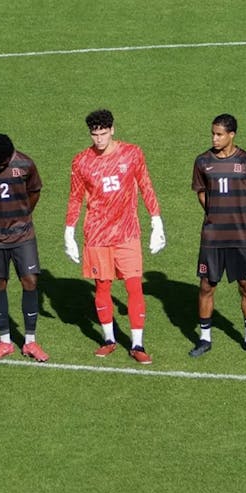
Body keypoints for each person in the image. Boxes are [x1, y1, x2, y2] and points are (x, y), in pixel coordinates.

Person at [65, 109, 164, 364]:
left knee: (134, 286)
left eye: (103, 133)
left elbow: (145, 184)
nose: (98, 139)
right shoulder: (81, 161)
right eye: (94, 134)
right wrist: (69, 231)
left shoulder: (132, 153)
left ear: (112, 130)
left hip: (127, 231)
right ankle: (109, 339)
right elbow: (75, 197)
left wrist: (156, 221)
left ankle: (137, 344)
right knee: (102, 286)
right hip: (97, 234)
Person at [189, 114, 246, 358]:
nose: (214, 138)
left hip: (241, 237)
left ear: (232, 135)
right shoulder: (202, 162)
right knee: (207, 285)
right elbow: (201, 193)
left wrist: (241, 219)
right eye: (213, 133)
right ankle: (204, 338)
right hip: (212, 237)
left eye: (219, 134)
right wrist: (215, 215)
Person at [0, 133, 47, 362]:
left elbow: (35, 192)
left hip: (23, 234)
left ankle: (30, 341)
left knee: (30, 280)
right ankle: (4, 342)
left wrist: (22, 214)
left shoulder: (25, 164)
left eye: (3, 163)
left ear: (11, 155)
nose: (0, 166)